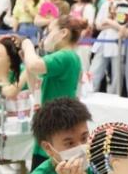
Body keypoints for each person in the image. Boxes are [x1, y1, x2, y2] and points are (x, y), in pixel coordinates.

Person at [23, 16, 89, 165]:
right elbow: (35, 85)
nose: (47, 36)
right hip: (51, 125)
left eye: (50, 31)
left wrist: (27, 44)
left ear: (63, 33)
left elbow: (34, 65)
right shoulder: (70, 58)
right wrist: (26, 60)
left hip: (57, 128)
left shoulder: (65, 56)